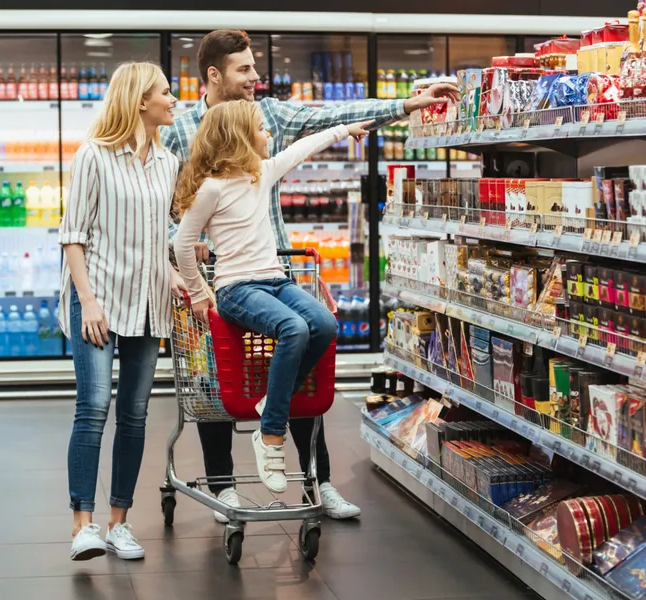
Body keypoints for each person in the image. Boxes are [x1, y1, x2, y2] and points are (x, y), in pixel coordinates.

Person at [161, 29, 458, 519]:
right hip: (220, 278)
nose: (256, 78)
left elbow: (328, 118)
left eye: (255, 68)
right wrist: (186, 259)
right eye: (244, 70)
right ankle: (223, 487)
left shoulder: (270, 114)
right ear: (213, 75)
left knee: (300, 369)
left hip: (275, 265)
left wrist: (405, 105)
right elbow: (168, 203)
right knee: (214, 383)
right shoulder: (181, 128)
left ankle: (317, 482)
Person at [173, 100, 371, 492]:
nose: (269, 136)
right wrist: (198, 292)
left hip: (276, 281)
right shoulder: (211, 189)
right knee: (294, 329)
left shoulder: (261, 174)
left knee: (326, 323)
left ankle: (270, 402)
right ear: (239, 138)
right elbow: (182, 244)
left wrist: (345, 130)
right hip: (235, 288)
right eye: (262, 129)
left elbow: (304, 148)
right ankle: (271, 434)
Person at [58, 61, 186, 562]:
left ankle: (120, 523)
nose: (173, 100)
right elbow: (73, 234)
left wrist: (172, 270)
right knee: (93, 408)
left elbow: (162, 233)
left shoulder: (168, 161)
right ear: (139, 101)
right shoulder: (94, 155)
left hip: (150, 301)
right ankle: (83, 525)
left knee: (134, 415)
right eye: (165, 92)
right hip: (99, 299)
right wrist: (87, 300)